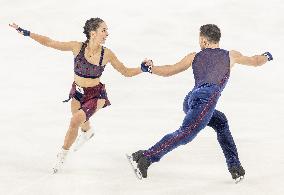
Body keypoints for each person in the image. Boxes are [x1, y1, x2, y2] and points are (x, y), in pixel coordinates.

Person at [131, 24, 273, 182]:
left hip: (191, 99)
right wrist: (267, 56)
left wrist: (150, 68)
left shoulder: (194, 56)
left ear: (204, 41)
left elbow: (170, 70)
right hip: (206, 100)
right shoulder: (231, 55)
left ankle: (235, 167)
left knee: (221, 121)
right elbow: (255, 61)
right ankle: (146, 157)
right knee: (185, 134)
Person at [9, 18, 147, 173]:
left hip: (96, 95)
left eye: (107, 30)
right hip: (78, 91)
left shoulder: (106, 54)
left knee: (75, 120)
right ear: (93, 33)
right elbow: (50, 42)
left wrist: (142, 69)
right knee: (79, 119)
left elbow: (126, 72)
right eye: (104, 30)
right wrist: (26, 33)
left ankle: (62, 155)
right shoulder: (77, 47)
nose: (107, 33)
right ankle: (88, 132)